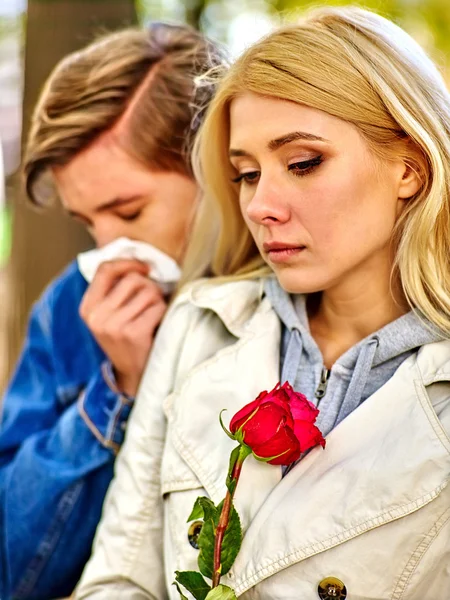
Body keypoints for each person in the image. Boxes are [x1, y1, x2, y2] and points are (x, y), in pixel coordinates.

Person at [75, 5, 450, 600]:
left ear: (409, 166)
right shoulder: (201, 324)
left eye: (302, 163)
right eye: (246, 174)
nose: (259, 205)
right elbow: (120, 578)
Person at [0, 23, 226, 600]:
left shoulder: (288, 301)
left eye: (127, 212)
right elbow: (13, 564)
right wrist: (116, 389)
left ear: (216, 168)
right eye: (87, 223)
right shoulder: (71, 309)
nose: (107, 250)